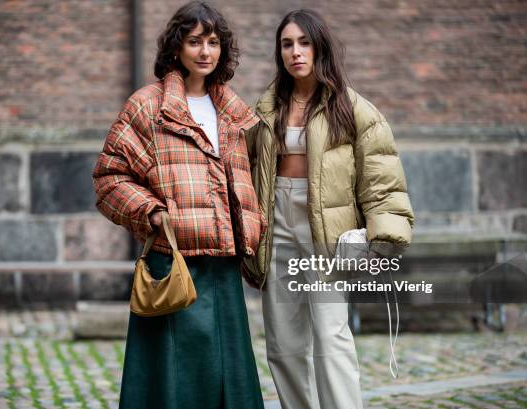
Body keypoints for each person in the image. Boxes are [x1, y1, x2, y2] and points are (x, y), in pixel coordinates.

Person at [92, 2, 265, 409]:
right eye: (194, 42)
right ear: (176, 48)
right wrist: (151, 212)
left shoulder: (234, 111)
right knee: (174, 382)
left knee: (229, 380)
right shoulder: (147, 106)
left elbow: (249, 178)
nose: (205, 51)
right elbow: (108, 178)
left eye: (213, 42)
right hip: (173, 265)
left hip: (224, 267)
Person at [241, 9, 414, 409]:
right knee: (283, 342)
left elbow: (381, 176)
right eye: (287, 44)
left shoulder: (353, 109)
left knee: (331, 335)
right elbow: (244, 170)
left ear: (321, 47)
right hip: (277, 225)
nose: (296, 52)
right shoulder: (264, 109)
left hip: (327, 233)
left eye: (304, 42)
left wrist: (383, 233)